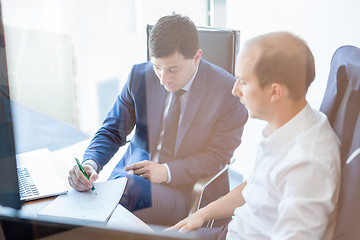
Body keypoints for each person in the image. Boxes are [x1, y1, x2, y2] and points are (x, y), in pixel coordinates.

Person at [67, 13, 248, 226]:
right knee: (92, 200)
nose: (163, 79)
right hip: (128, 180)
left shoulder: (228, 92)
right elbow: (113, 130)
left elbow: (218, 156)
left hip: (183, 189)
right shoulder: (139, 76)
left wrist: (167, 172)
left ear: (197, 57)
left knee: (111, 206)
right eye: (157, 67)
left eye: (173, 69)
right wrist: (91, 163)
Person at [167, 32, 341, 239]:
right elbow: (256, 186)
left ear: (275, 92)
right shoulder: (287, 126)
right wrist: (201, 214)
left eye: (243, 81)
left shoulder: (306, 165)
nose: (234, 90)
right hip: (230, 231)